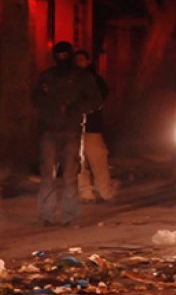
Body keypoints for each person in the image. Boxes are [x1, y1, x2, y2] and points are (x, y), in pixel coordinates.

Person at [31, 41, 102, 226]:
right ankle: (46, 215)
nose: (62, 59)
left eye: (65, 55)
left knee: (70, 175)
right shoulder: (47, 76)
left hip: (71, 130)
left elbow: (96, 100)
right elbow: (35, 99)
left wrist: (76, 108)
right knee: (48, 175)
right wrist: (48, 105)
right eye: (58, 55)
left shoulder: (81, 77)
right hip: (50, 130)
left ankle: (69, 216)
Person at [75, 50, 118, 203]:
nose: (79, 63)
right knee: (80, 163)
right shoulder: (70, 80)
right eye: (76, 60)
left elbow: (100, 99)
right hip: (75, 127)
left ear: (87, 61)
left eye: (82, 60)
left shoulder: (95, 80)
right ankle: (86, 192)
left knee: (98, 159)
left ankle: (105, 190)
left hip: (92, 126)